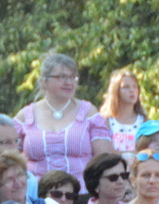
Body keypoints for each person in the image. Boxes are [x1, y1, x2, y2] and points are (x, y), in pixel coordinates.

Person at [14, 52, 114, 183]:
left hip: (81, 195)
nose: (69, 82)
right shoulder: (25, 116)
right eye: (62, 77)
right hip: (35, 196)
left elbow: (104, 160)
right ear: (44, 80)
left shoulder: (89, 113)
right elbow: (10, 160)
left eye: (73, 77)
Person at [99, 68, 145, 153]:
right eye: (126, 87)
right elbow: (104, 150)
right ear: (115, 91)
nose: (132, 90)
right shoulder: (104, 121)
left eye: (135, 87)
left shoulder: (144, 122)